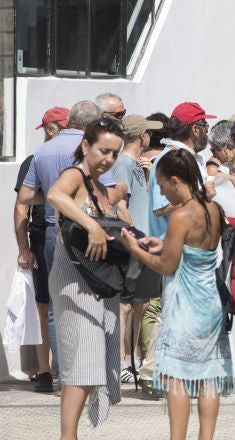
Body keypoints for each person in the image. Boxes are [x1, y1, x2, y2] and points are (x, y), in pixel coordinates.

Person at [122, 149, 234, 440]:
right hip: (210, 300)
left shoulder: (181, 215)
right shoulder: (213, 209)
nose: (160, 191)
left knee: (176, 377)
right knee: (209, 374)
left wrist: (136, 250)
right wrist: (160, 242)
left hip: (184, 303)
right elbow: (193, 250)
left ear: (174, 181)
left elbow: (167, 265)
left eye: (160, 185)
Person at [47, 118, 132, 436]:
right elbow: (56, 195)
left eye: (115, 153)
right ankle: (68, 436)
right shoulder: (75, 174)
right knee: (80, 363)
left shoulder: (99, 185)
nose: (108, 158)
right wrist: (93, 225)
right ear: (85, 146)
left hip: (98, 280)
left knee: (93, 360)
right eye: (103, 150)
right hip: (74, 276)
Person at [15, 100, 106, 391]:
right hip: (89, 230)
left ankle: (66, 376)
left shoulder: (42, 151)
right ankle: (89, 371)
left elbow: (26, 198)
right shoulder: (94, 148)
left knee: (55, 306)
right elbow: (112, 193)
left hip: (54, 234)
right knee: (92, 299)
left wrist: (54, 197)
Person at [13, 108, 69, 392]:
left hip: (52, 236)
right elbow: (21, 204)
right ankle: (45, 370)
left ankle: (55, 369)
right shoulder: (34, 160)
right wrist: (24, 248)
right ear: (52, 130)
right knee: (44, 306)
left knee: (53, 306)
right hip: (41, 238)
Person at [109, 114, 164, 384]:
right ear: (141, 135)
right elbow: (120, 206)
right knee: (126, 305)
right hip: (131, 242)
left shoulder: (136, 165)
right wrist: (135, 237)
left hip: (142, 243)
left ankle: (134, 359)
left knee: (140, 303)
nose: (150, 137)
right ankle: (122, 360)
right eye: (148, 133)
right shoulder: (122, 164)